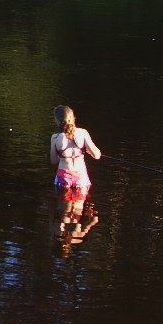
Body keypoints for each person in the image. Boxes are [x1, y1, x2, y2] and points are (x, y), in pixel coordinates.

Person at [49, 104, 102, 243]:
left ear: (57, 120)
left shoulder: (55, 137)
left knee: (64, 210)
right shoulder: (83, 133)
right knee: (77, 210)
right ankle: (70, 222)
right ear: (73, 117)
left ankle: (65, 223)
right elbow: (97, 155)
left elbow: (53, 160)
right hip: (80, 178)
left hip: (63, 177)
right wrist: (88, 151)